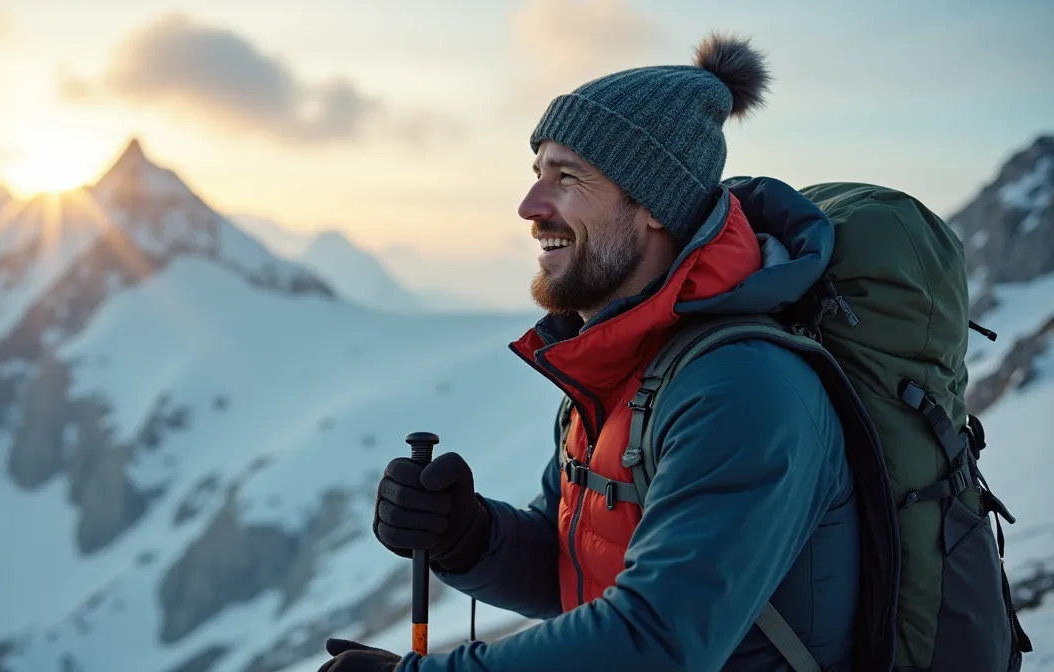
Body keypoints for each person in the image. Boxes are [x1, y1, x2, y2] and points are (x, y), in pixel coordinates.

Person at [317, 32, 860, 672]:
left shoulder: (744, 390)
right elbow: (571, 566)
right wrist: (468, 537)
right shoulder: (619, 366)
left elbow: (656, 641)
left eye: (568, 178)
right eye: (537, 174)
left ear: (654, 206)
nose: (530, 206)